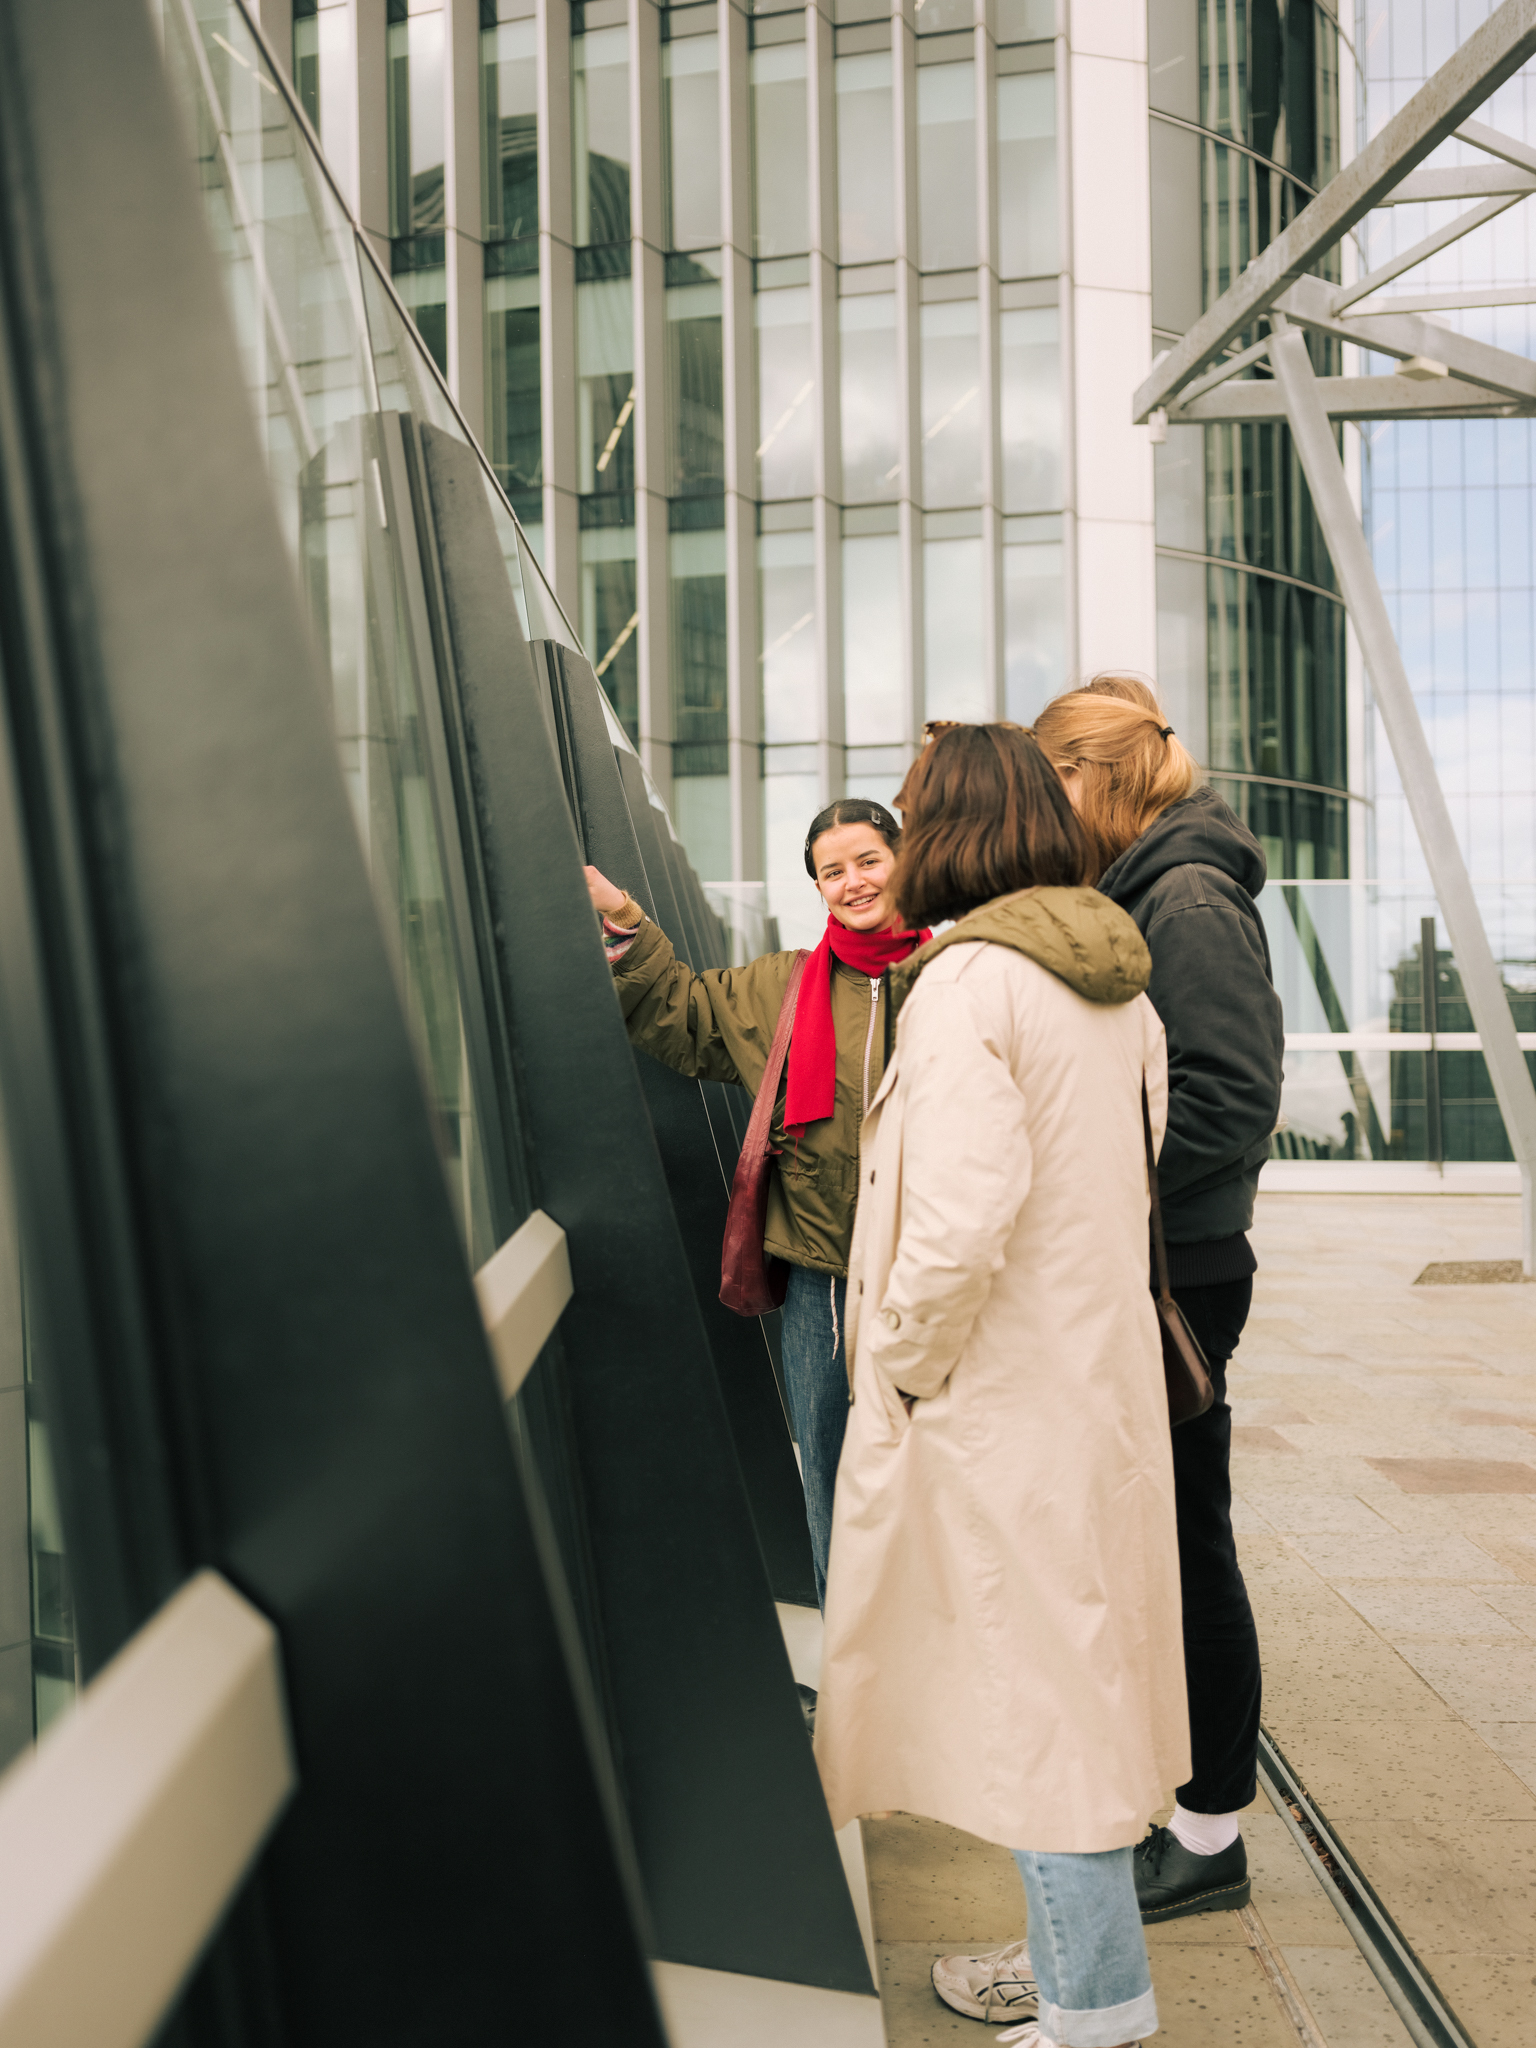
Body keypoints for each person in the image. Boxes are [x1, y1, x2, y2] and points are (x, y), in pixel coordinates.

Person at [815, 724, 1188, 2048]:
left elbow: (962, 1215)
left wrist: (902, 1366)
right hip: (1089, 1383)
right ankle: (1059, 1965)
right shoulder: (1113, 985)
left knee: (1043, 1709)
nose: (903, 842)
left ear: (954, 829)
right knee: (1073, 1676)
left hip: (998, 1396)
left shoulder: (973, 986)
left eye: (913, 818)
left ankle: (1095, 2010)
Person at [1032, 674, 1284, 1924]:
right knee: (1160, 1541)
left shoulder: (1183, 893)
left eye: (1053, 781)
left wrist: (1086, 1185)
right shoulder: (1149, 883)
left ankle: (1208, 1835)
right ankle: (1186, 1809)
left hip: (1175, 1267)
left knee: (1187, 1545)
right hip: (1159, 1256)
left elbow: (1229, 1098)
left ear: (1096, 778)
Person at [583, 799, 927, 1611]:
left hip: (930, 1279)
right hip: (822, 1287)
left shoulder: (954, 977)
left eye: (867, 861)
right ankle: (854, 1681)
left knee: (936, 1482)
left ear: (904, 862)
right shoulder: (784, 986)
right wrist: (624, 916)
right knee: (835, 1492)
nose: (851, 883)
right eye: (831, 871)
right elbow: (683, 1013)